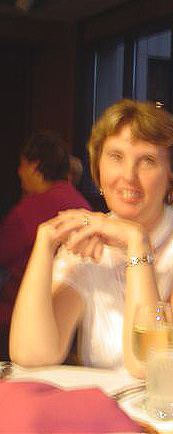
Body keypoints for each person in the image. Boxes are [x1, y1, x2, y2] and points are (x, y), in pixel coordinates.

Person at [9, 100, 173, 378]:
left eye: (147, 161)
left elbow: (151, 366)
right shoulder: (87, 241)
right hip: (107, 413)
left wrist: (137, 242)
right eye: (116, 156)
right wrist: (45, 246)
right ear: (98, 169)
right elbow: (33, 354)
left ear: (171, 175)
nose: (128, 176)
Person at [0, 131, 92, 360]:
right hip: (73, 319)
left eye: (22, 166)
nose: (19, 173)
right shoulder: (80, 202)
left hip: (26, 316)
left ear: (34, 166)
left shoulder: (32, 208)